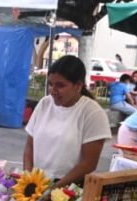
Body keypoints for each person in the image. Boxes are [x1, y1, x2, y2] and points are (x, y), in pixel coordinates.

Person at [23, 56, 111, 187]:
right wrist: (27, 180)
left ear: (78, 85)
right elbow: (30, 147)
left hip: (68, 188)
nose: (53, 90)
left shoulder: (92, 113)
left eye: (60, 85)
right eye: (51, 84)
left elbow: (88, 164)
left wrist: (54, 188)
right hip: (36, 183)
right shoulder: (44, 103)